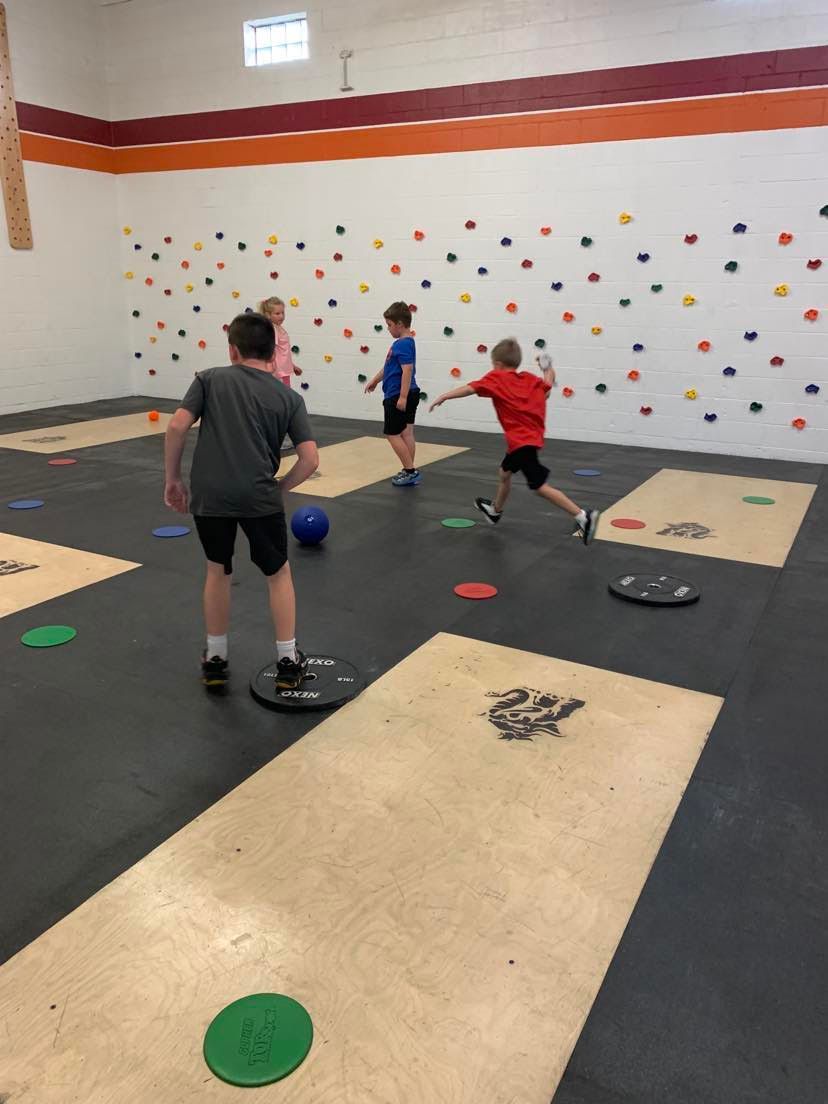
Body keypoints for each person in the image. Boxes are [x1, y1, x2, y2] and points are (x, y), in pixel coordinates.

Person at [164, 312, 319, 691]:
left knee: (217, 569)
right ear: (273, 352)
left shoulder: (208, 379)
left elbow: (176, 426)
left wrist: (172, 480)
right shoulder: (289, 397)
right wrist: (280, 488)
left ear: (232, 350)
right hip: (259, 496)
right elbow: (311, 459)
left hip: (209, 494)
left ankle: (215, 660)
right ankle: (287, 661)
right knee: (278, 574)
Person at [429, 342, 600, 543]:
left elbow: (470, 389)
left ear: (498, 364)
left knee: (539, 486)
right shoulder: (529, 380)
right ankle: (495, 511)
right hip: (528, 441)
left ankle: (582, 516)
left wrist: (444, 396)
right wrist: (547, 366)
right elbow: (547, 386)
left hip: (521, 443)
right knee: (504, 473)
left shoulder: (496, 378)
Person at [364, 301, 421, 486]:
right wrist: (375, 380)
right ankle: (409, 468)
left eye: (389, 325)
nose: (388, 329)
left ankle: (410, 470)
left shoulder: (402, 344)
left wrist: (402, 397)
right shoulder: (403, 343)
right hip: (408, 393)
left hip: (398, 395)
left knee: (392, 434)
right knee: (406, 433)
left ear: (399, 324)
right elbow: (389, 367)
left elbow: (407, 370)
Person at [258, 296, 302, 388]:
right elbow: (269, 350)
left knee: (285, 395)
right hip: (277, 373)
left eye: (283, 313)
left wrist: (292, 366)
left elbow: (282, 352)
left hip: (284, 371)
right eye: (277, 313)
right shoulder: (272, 329)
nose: (281, 316)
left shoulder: (279, 328)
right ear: (268, 315)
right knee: (282, 397)